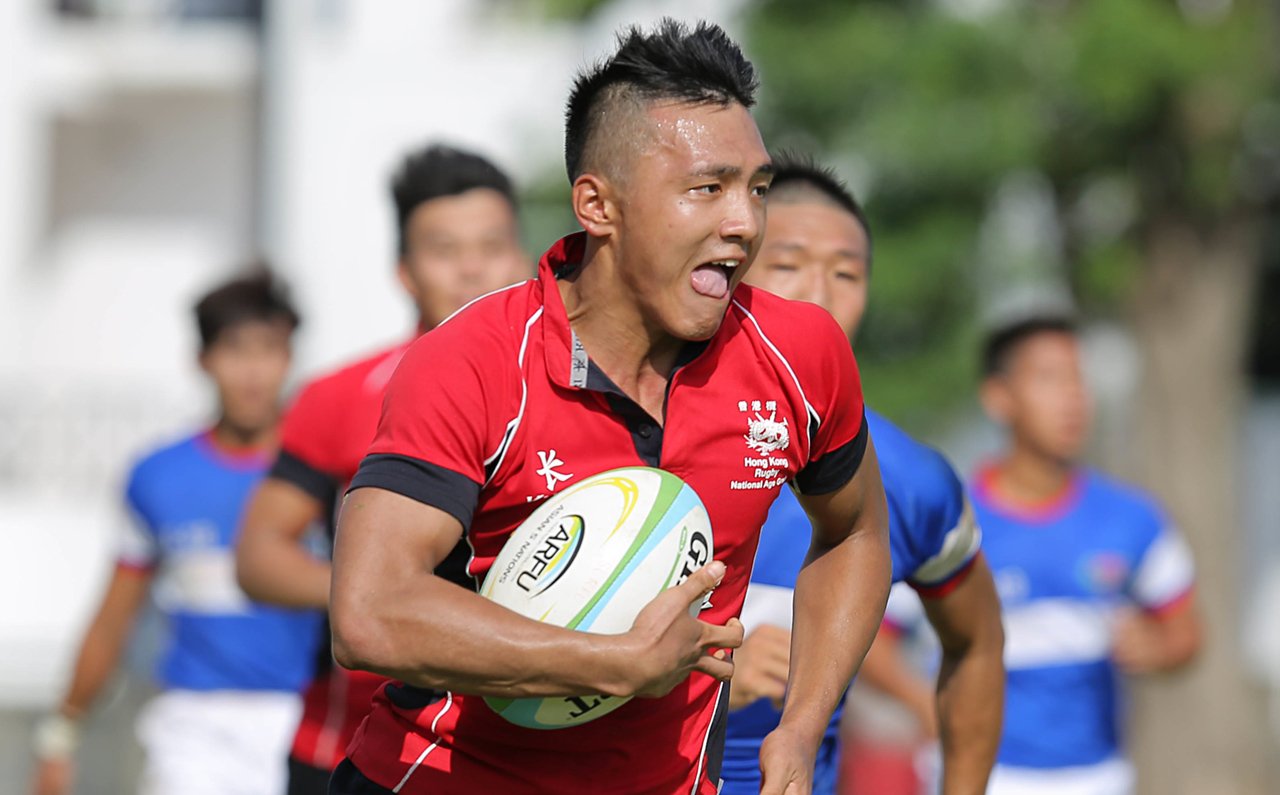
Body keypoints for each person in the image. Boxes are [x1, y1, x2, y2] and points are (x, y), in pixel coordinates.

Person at [326, 19, 891, 795]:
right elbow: (370, 610)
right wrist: (613, 662)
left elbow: (855, 531)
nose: (744, 222)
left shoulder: (800, 353)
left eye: (755, 189)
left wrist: (799, 729)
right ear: (598, 205)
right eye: (707, 188)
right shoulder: (476, 361)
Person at [234, 144, 527, 794]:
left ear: (523, 256)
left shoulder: (580, 391)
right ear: (404, 270)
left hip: (525, 753)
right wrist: (380, 594)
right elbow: (258, 555)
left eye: (492, 244)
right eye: (445, 249)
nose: (472, 266)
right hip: (356, 752)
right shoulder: (341, 395)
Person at [721, 156, 1005, 795]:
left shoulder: (907, 479)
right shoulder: (641, 435)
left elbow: (978, 646)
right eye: (789, 265)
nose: (819, 294)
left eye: (845, 273)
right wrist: (684, 672)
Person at [30, 272, 322, 795]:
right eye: (235, 350)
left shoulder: (332, 470)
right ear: (203, 359)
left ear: (289, 357)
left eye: (270, 349)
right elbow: (113, 617)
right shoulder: (157, 476)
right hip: (191, 728)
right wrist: (61, 734)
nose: (253, 371)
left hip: (309, 720)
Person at [975, 315, 1202, 795]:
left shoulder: (1133, 518)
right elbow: (877, 637)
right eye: (1049, 378)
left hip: (1098, 777)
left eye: (1079, 378)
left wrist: (1157, 648)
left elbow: (1187, 634)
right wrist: (921, 708)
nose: (1073, 397)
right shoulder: (951, 520)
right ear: (999, 398)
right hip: (980, 776)